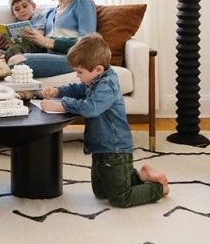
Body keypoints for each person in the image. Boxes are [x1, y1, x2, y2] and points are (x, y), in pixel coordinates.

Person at [41, 34, 169, 207]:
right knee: (101, 192)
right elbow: (80, 88)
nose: (78, 76)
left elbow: (90, 108)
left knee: (120, 198)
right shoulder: (96, 79)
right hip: (101, 147)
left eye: (80, 72)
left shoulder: (107, 85)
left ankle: (158, 188)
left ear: (98, 69)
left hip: (115, 149)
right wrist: (58, 91)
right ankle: (139, 176)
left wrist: (63, 105)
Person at [8, 0, 96, 78]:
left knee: (16, 61)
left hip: (73, 58)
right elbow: (40, 44)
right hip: (47, 56)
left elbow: (87, 44)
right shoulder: (50, 12)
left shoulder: (83, 3)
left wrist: (47, 41)